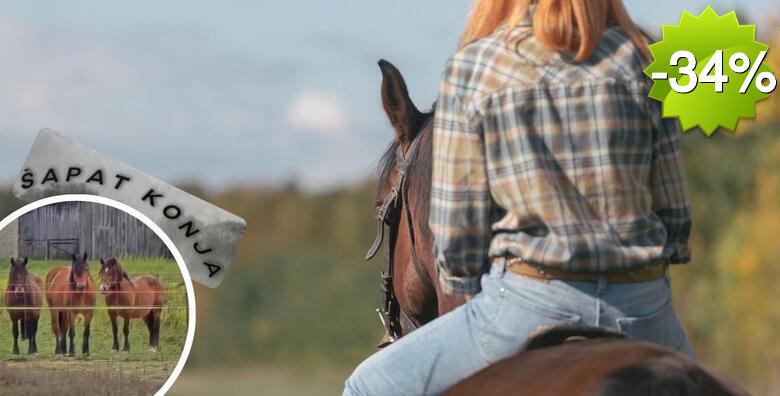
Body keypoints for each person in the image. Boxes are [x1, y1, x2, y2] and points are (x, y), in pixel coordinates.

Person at [345, 0, 694, 394]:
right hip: (643, 305)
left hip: (529, 304)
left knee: (367, 384)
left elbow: (456, 242)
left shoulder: (475, 67)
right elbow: (676, 222)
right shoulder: (641, 56)